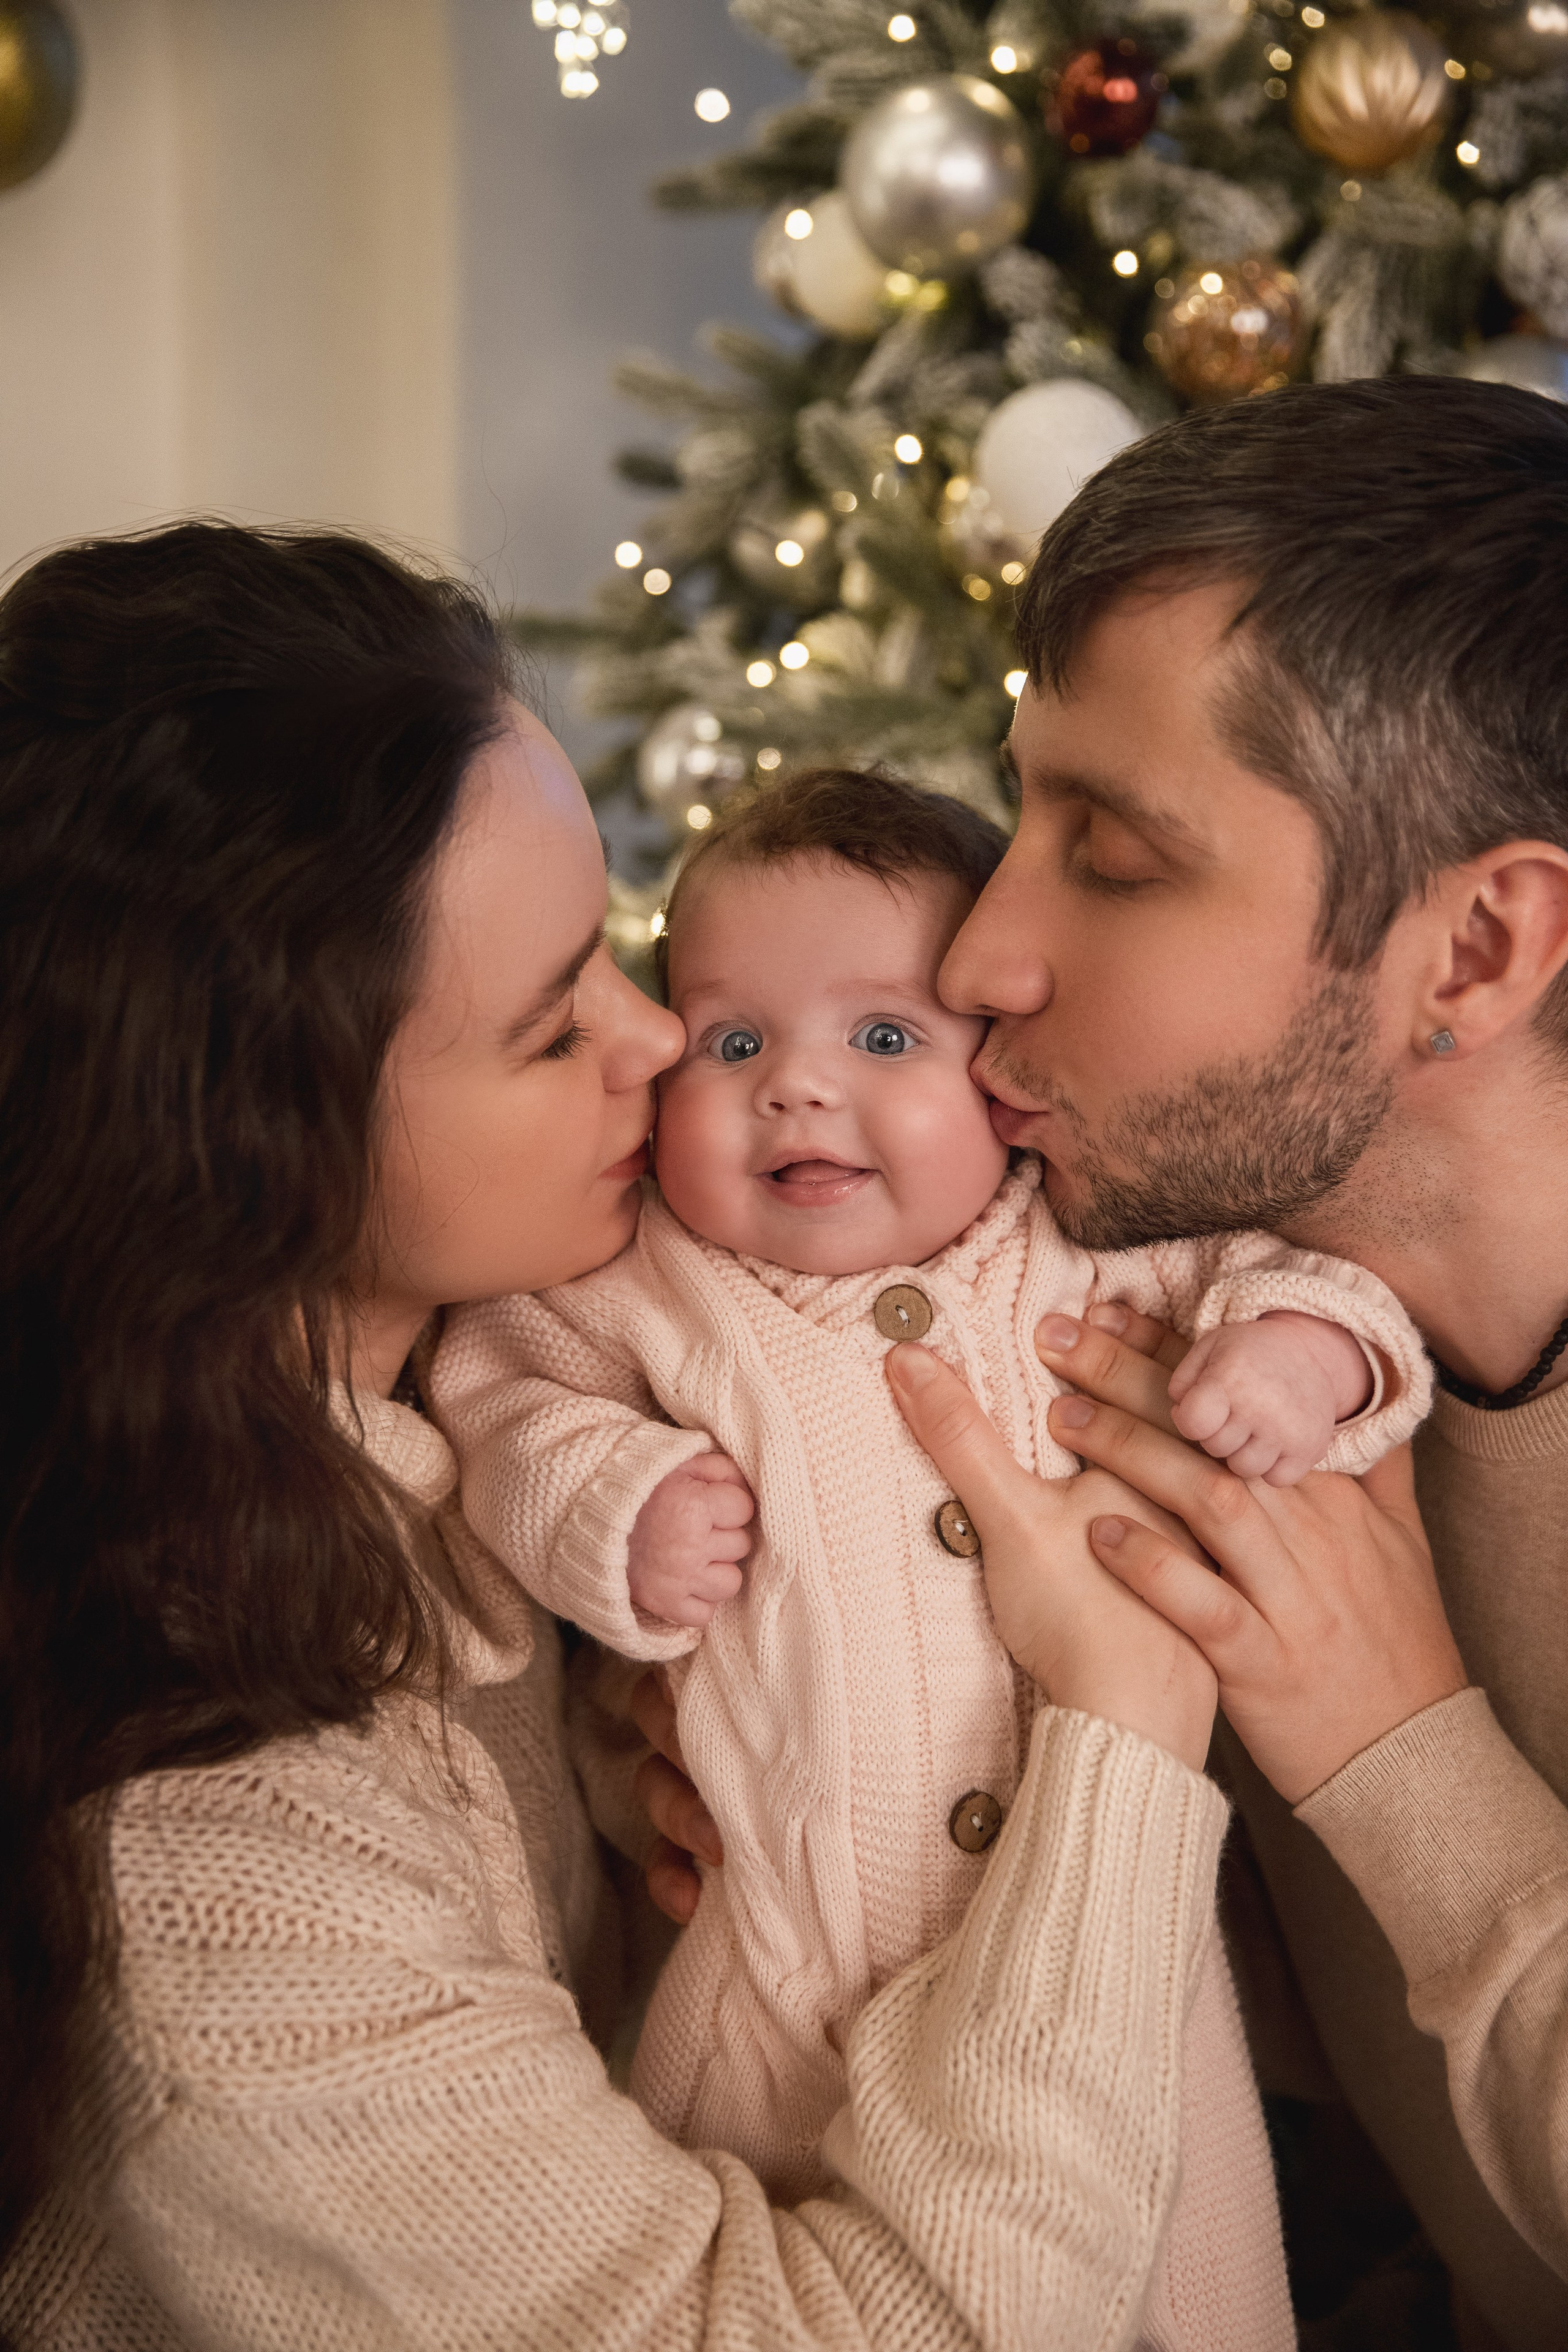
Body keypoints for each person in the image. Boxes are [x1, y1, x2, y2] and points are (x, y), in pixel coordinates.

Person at [0, 519, 1243, 2352]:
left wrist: (645, 1747)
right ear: (261, 1139)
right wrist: (1132, 1734)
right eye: (544, 1017)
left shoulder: (457, 1424)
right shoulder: (218, 1884)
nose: (662, 1040)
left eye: (623, 949)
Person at [433, 765, 1432, 2348]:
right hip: (773, 1988)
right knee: (780, 2275)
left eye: (883, 1037)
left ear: (1004, 1079)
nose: (797, 1089)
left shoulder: (1096, 1236)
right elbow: (496, 1403)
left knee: (1175, 2284)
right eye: (731, 1041)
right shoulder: (650, 1283)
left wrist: (1299, 1357)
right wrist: (611, 1503)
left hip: (1115, 1984)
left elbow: (1310, 1277)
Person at [897, 374, 1568, 2352]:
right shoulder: (1132, 1306)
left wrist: (1393, 1747)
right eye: (1020, 805)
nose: (979, 960)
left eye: (1110, 854)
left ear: (1474, 952)